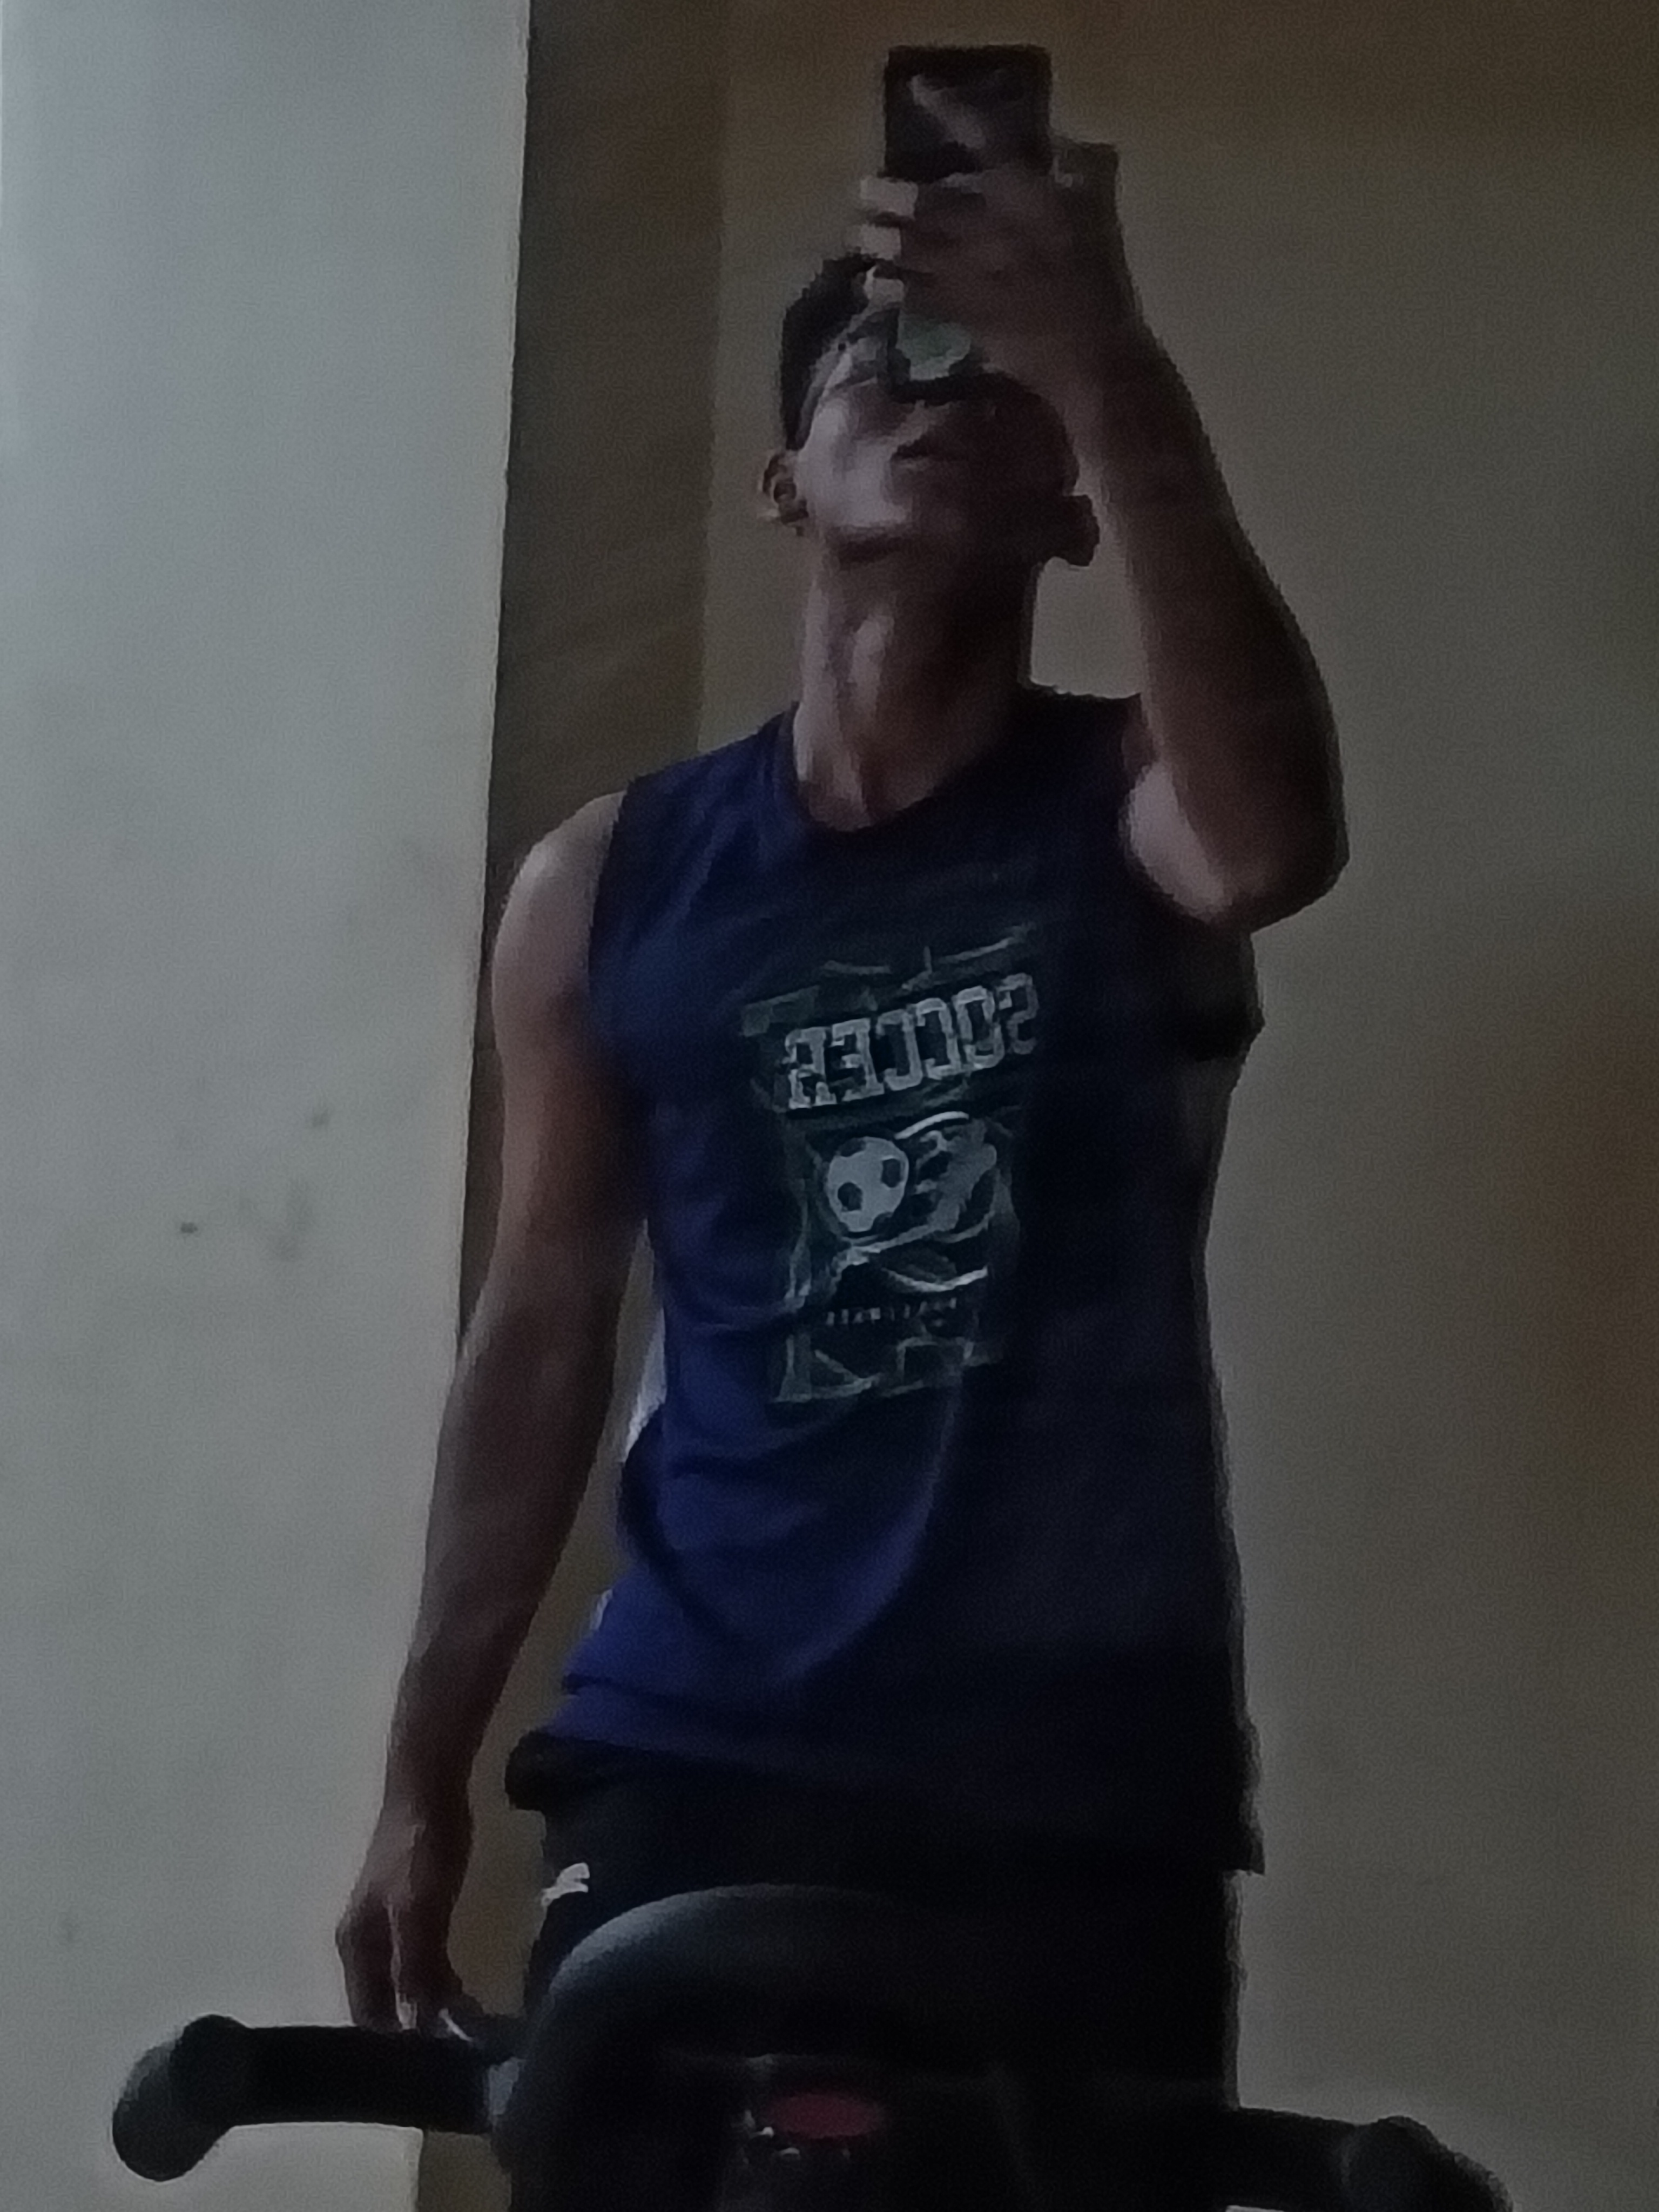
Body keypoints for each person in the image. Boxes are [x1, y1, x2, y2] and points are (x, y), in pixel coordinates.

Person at [338, 102, 1345, 2190]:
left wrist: (1106, 356)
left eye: (992, 379)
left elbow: (1266, 847)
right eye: (883, 365)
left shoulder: (1132, 802)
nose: (935, 393)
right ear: (787, 479)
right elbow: (541, 1329)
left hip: (1074, 1762)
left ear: (1072, 512)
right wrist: (422, 1766)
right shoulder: (608, 881)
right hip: (696, 1735)